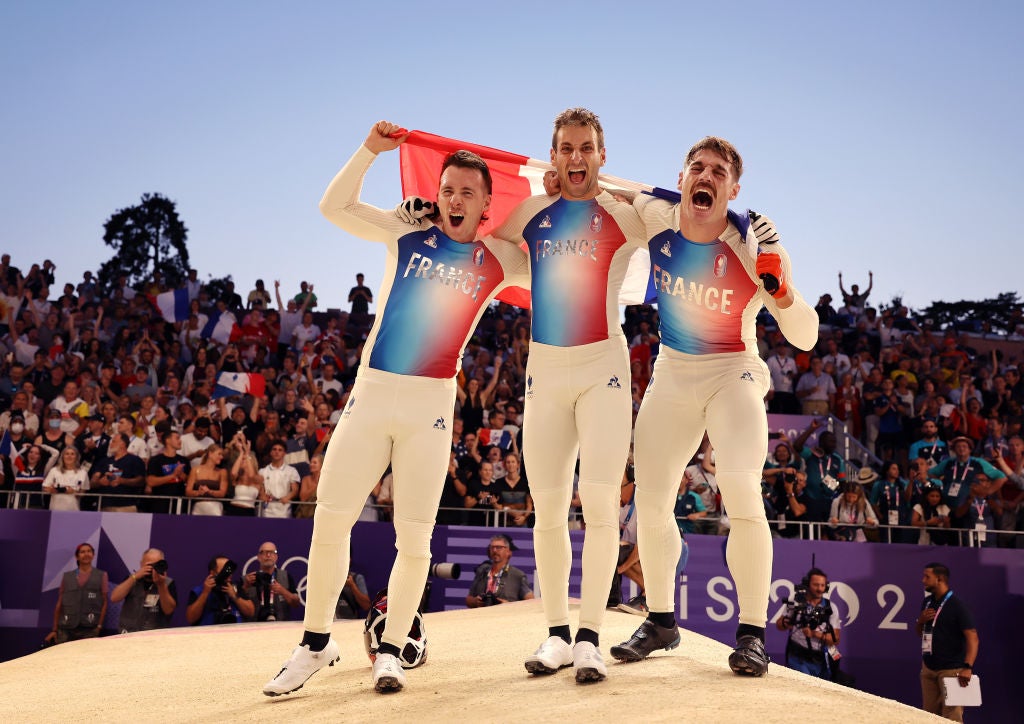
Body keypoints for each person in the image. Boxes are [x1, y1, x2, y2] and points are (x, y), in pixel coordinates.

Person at [263, 120, 528, 697]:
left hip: (431, 408)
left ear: (487, 204)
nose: (454, 199)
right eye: (448, 188)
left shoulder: (499, 258)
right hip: (373, 393)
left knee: (415, 540)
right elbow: (334, 206)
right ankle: (315, 643)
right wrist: (370, 152)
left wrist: (561, 190)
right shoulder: (406, 233)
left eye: (468, 192)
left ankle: (391, 650)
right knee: (330, 519)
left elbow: (564, 261)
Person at [610, 136, 817, 676]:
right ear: (681, 179)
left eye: (718, 171)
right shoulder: (656, 215)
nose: (706, 175)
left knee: (743, 491)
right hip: (673, 372)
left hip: (734, 370)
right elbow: (604, 193)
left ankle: (751, 635)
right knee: (651, 502)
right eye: (696, 167)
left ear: (733, 189)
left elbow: (807, 337)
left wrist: (783, 288)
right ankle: (659, 622)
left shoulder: (754, 245)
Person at [490, 108, 647, 684]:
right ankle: (556, 633)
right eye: (566, 148)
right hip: (546, 372)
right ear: (552, 157)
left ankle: (589, 637)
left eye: (586, 148)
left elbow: (679, 221)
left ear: (602, 156)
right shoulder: (531, 215)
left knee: (601, 505)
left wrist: (617, 191)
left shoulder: (624, 216)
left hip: (603, 366)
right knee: (549, 510)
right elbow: (479, 246)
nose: (576, 157)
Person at [916, 562, 978, 722]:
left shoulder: (957, 605)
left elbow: (973, 637)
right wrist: (920, 621)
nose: (923, 580)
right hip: (929, 668)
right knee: (929, 717)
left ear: (940, 579)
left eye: (927, 577)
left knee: (952, 717)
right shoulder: (928, 602)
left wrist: (968, 667)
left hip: (952, 671)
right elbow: (920, 634)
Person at [775, 567, 841, 680]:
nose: (819, 589)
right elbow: (779, 625)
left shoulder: (831, 608)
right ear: (807, 584)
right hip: (797, 657)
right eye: (816, 585)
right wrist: (787, 623)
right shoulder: (796, 601)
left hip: (821, 660)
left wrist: (814, 634)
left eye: (822, 585)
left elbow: (835, 640)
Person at [44, 542, 109, 645]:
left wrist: (99, 626)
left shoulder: (102, 575)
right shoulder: (67, 577)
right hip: (66, 629)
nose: (86, 554)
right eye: (82, 552)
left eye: (89, 551)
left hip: (89, 629)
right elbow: (60, 603)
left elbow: (105, 602)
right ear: (77, 556)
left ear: (93, 555)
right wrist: (55, 629)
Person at [109, 548, 177, 633]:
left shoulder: (167, 583)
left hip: (154, 636)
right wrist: (135, 576)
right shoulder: (132, 579)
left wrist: (161, 585)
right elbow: (114, 598)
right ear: (141, 564)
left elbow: (169, 610)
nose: (152, 569)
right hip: (127, 634)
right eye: (149, 565)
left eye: (156, 566)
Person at [466, 534, 535, 607]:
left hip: (506, 617)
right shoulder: (481, 572)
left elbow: (530, 603)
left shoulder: (518, 576)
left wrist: (509, 605)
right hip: (482, 616)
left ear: (508, 552)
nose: (494, 550)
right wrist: (475, 602)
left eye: (499, 547)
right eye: (492, 547)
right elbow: (468, 599)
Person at [185, 555, 254, 625]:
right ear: (212, 573)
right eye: (225, 569)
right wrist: (205, 593)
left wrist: (235, 596)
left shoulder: (235, 588)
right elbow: (191, 619)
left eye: (230, 570)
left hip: (234, 633)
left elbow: (250, 612)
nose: (229, 573)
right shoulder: (199, 591)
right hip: (208, 634)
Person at [241, 542, 301, 621]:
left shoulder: (286, 576)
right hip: (253, 627)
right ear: (258, 557)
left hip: (281, 627)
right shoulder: (248, 579)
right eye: (264, 552)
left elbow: (296, 604)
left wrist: (283, 591)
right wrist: (245, 587)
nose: (268, 555)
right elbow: (237, 604)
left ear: (276, 557)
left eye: (272, 552)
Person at [259, 439, 300, 518]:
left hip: (284, 511)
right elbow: (260, 488)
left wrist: (287, 497)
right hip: (267, 511)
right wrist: (262, 495)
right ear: (270, 452)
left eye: (280, 450)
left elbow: (295, 490)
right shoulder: (262, 471)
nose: (277, 452)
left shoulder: (291, 471)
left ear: (284, 453)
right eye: (274, 449)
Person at [42, 445, 89, 511]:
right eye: (67, 454)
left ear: (77, 457)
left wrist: (73, 492)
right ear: (62, 457)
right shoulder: (54, 470)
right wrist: (51, 490)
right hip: (55, 509)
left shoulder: (83, 473)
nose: (69, 456)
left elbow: (83, 493)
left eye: (72, 454)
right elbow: (45, 487)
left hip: (73, 509)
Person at [185, 444, 228, 515]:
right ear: (210, 454)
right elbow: (188, 491)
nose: (221, 457)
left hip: (215, 508)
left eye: (222, 455)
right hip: (198, 508)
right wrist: (198, 493)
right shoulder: (195, 469)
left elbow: (222, 493)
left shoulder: (222, 472)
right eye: (219, 454)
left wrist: (209, 491)